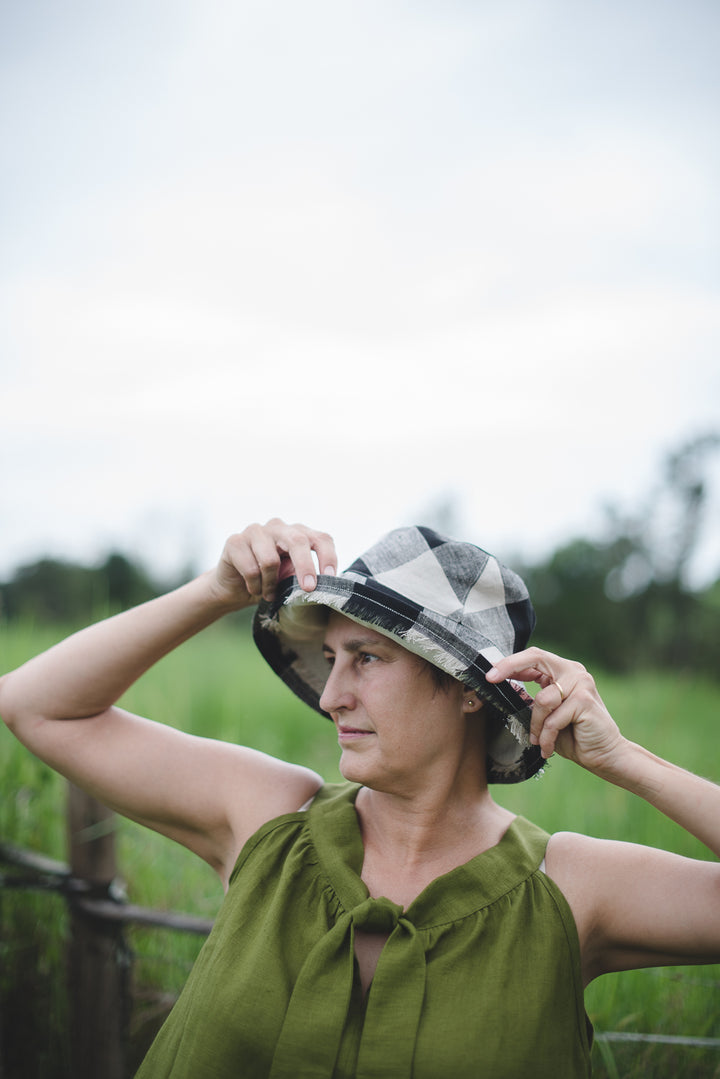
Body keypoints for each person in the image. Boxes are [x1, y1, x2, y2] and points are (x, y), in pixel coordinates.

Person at [1, 518, 719, 1078]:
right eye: (332, 657)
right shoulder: (268, 815)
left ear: (469, 692)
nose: (332, 694)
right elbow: (37, 706)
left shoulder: (569, 888)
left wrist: (627, 761)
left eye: (368, 659)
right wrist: (216, 590)